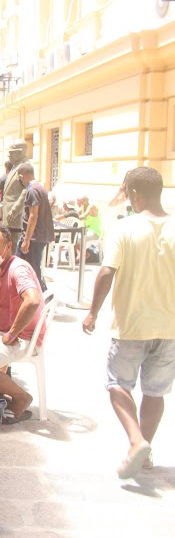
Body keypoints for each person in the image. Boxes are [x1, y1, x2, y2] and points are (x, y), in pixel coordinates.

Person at [82, 167, 175, 479]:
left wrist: (93, 312)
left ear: (135, 194)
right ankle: (145, 452)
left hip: (132, 327)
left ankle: (136, 442)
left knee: (118, 385)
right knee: (155, 391)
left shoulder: (125, 228)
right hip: (170, 328)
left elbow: (107, 271)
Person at [0, 224, 45, 423]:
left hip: (20, 337)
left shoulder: (18, 268)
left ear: (8, 246)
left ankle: (21, 398)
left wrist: (13, 333)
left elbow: (33, 300)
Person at [16, 164, 53, 289]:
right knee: (23, 265)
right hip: (36, 236)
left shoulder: (33, 190)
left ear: (22, 176)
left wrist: (26, 240)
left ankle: (39, 293)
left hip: (33, 238)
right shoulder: (40, 187)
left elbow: (33, 215)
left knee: (31, 268)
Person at [0, 141, 31, 242]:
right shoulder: (15, 166)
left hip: (15, 217)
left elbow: (26, 190)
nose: (9, 155)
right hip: (8, 218)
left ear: (20, 152)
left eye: (11, 152)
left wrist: (15, 210)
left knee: (14, 247)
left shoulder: (25, 166)